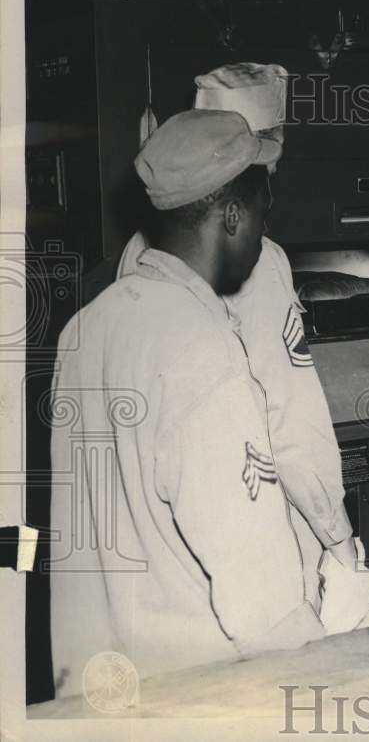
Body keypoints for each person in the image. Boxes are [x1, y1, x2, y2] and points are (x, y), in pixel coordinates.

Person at [48, 110, 328, 694]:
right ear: (232, 217)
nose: (263, 234)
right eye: (261, 213)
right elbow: (261, 594)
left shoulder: (87, 326)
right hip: (199, 690)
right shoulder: (204, 352)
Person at [118, 63, 357, 568]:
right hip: (254, 524)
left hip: (172, 523)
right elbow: (291, 420)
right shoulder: (258, 260)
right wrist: (339, 540)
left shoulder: (139, 250)